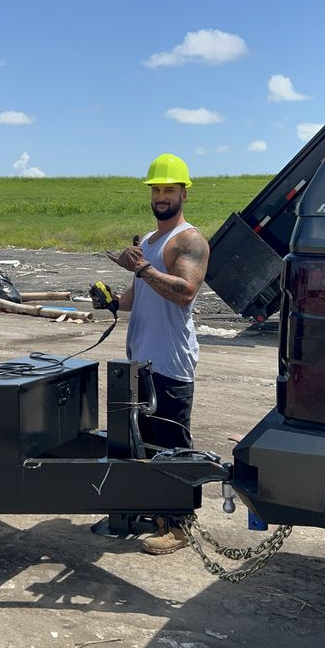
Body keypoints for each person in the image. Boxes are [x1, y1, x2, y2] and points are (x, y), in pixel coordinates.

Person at [105, 153, 209, 554]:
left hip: (170, 360)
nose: (162, 196)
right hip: (140, 359)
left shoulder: (190, 240)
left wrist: (144, 268)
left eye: (169, 189)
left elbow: (184, 293)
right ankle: (155, 513)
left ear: (184, 193)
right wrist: (111, 301)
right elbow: (136, 297)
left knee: (173, 442)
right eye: (157, 189)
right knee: (143, 442)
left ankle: (179, 526)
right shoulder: (149, 240)